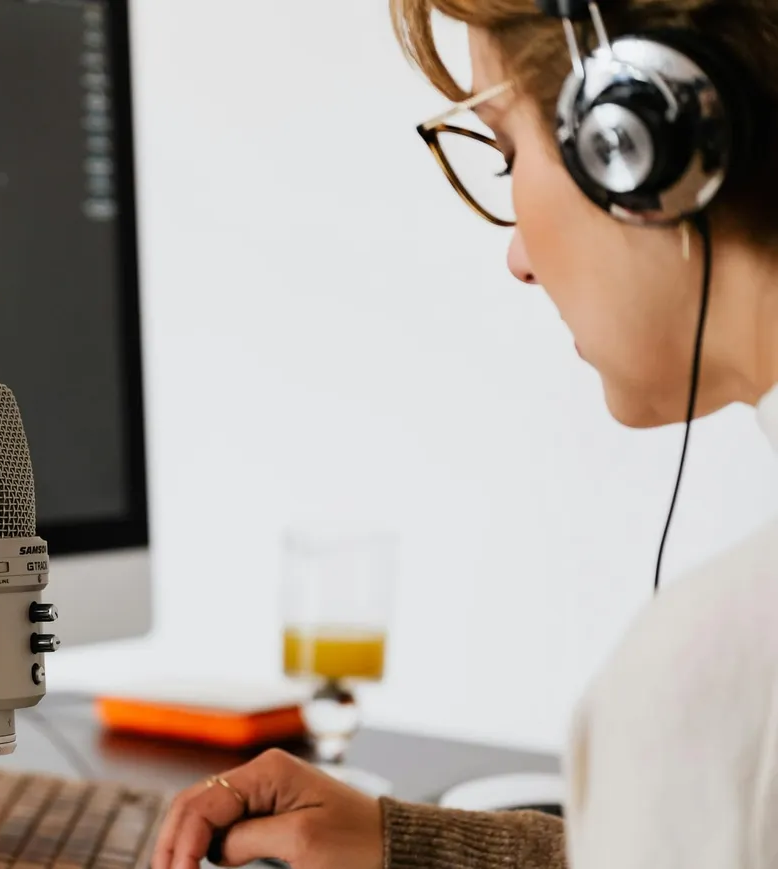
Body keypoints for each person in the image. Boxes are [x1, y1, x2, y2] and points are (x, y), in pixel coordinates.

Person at [149, 1, 778, 868]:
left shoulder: (711, 690)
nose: (517, 256)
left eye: (509, 150)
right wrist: (409, 845)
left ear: (636, 144)